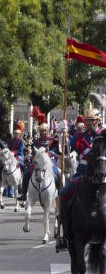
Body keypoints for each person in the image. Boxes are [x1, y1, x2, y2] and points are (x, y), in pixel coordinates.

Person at [58, 95, 105, 251]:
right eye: (88, 120)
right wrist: (62, 134)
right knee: (63, 194)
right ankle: (65, 234)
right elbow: (65, 151)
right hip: (83, 174)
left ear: (98, 121)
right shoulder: (79, 136)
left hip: (103, 174)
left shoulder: (104, 135)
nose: (89, 123)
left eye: (92, 120)